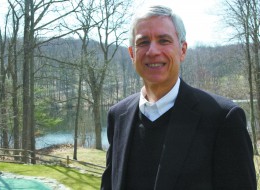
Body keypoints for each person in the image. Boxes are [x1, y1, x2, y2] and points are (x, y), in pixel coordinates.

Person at [101, 4, 256, 190]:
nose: (152, 51)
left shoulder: (222, 119)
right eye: (143, 42)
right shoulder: (118, 116)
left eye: (164, 40)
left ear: (182, 50)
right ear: (132, 54)